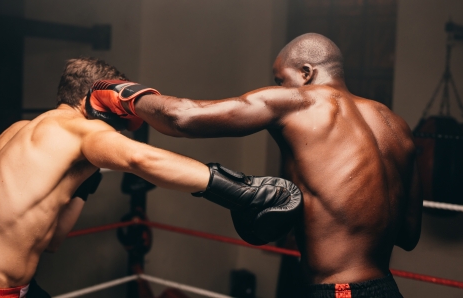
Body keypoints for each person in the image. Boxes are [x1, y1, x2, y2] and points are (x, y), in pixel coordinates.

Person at [89, 33, 422, 297]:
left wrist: (122, 94)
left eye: (280, 80)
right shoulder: (396, 126)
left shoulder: (301, 101)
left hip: (338, 292)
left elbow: (183, 118)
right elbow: (408, 234)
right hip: (385, 288)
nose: (278, 89)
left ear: (306, 73)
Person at [0, 57, 301, 298]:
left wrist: (83, 183)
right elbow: (140, 157)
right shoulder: (79, 132)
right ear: (99, 100)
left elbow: (52, 240)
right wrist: (242, 192)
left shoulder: (14, 132)